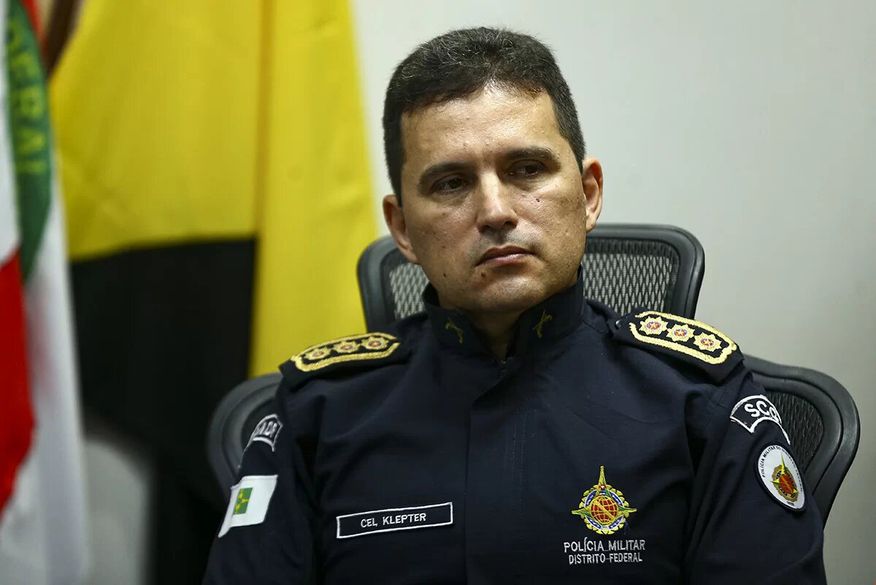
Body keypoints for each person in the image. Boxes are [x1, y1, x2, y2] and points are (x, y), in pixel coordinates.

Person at [203, 27, 826, 584]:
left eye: (526, 168)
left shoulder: (702, 403)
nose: (496, 211)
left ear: (588, 194)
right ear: (402, 229)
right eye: (451, 183)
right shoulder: (316, 415)